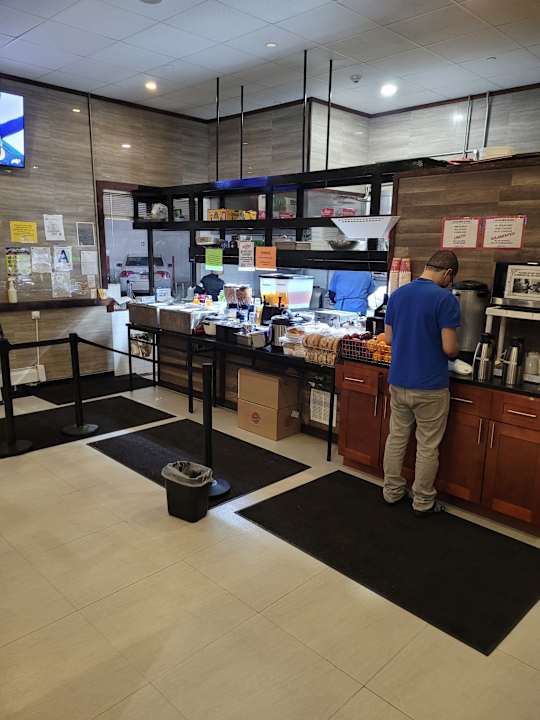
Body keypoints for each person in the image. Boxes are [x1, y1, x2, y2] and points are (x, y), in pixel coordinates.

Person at [382, 250, 461, 517]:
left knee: (396, 438)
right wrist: (456, 352)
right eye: (451, 279)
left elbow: (388, 339)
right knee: (427, 446)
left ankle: (392, 492)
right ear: (448, 273)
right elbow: (449, 348)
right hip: (430, 386)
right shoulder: (445, 299)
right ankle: (423, 502)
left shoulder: (398, 294)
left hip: (398, 381)